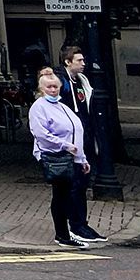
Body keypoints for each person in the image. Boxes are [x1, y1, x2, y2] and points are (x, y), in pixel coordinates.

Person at [29, 67, 105, 247]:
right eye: (49, 87)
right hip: (54, 157)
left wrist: (82, 158)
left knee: (66, 194)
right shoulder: (39, 107)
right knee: (62, 195)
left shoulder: (62, 106)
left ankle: (68, 232)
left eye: (55, 86)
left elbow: (76, 133)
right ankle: (64, 235)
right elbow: (41, 134)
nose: (53, 90)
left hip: (70, 157)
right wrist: (65, 146)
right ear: (41, 89)